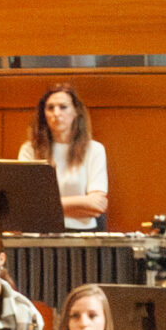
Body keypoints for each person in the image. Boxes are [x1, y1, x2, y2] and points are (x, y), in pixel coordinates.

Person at [14, 85, 110, 228]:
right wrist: (81, 204)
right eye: (50, 108)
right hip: (40, 231)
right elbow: (27, 205)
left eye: (63, 107)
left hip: (83, 233)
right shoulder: (29, 150)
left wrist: (47, 206)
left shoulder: (94, 149)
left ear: (76, 111)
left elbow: (97, 204)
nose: (56, 113)